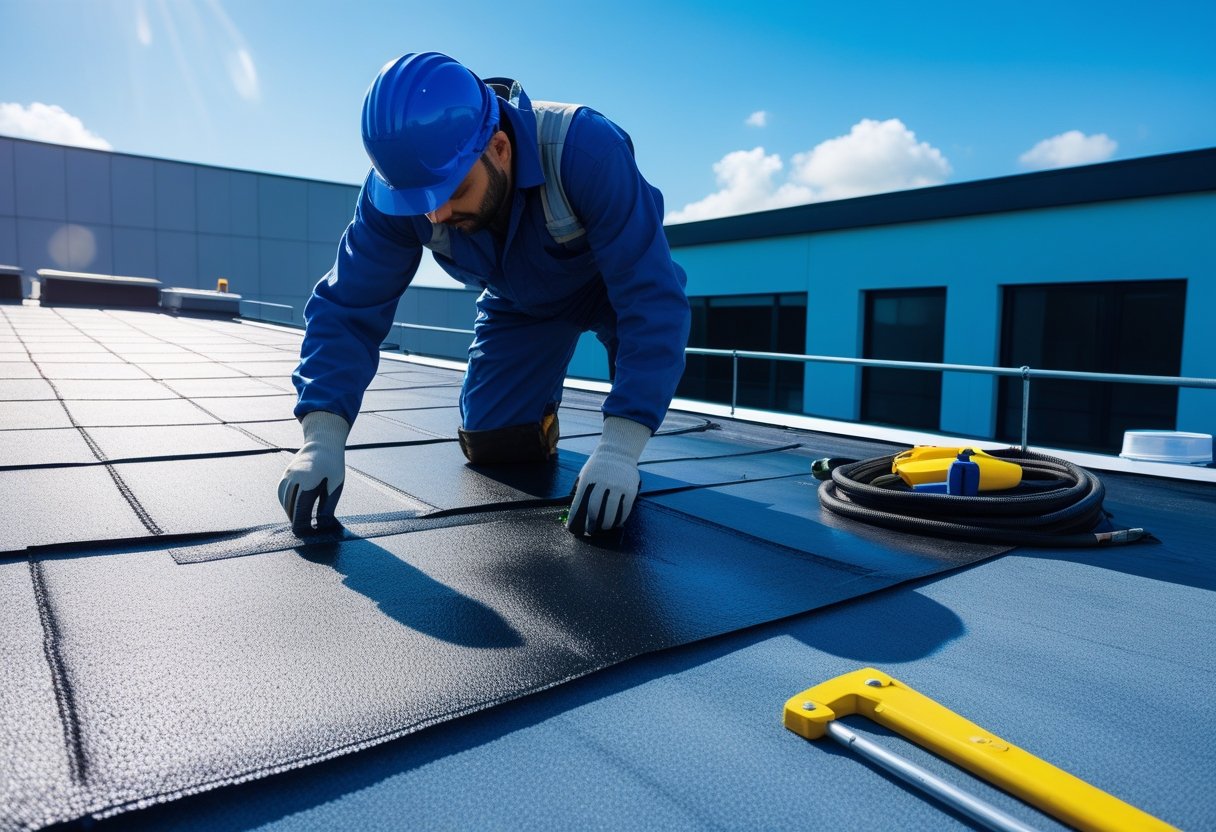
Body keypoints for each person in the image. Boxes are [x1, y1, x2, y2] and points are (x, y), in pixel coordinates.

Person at [278, 52, 690, 537]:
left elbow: (651, 300)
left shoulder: (585, 151)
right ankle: (542, 416)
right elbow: (348, 307)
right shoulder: (401, 187)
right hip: (520, 303)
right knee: (493, 440)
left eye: (453, 192)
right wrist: (321, 438)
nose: (435, 215)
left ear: (499, 148)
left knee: (633, 382)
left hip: (610, 291)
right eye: (421, 202)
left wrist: (620, 449)